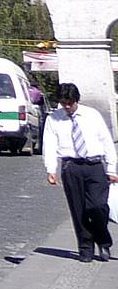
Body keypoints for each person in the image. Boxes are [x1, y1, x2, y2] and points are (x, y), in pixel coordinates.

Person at [43, 82, 115, 262]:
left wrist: (112, 168)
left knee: (97, 206)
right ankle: (85, 248)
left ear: (77, 100)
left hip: (94, 165)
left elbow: (106, 140)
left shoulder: (92, 115)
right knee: (78, 209)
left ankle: (103, 240)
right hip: (71, 167)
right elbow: (50, 145)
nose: (67, 107)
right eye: (63, 103)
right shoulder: (54, 119)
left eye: (70, 103)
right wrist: (51, 169)